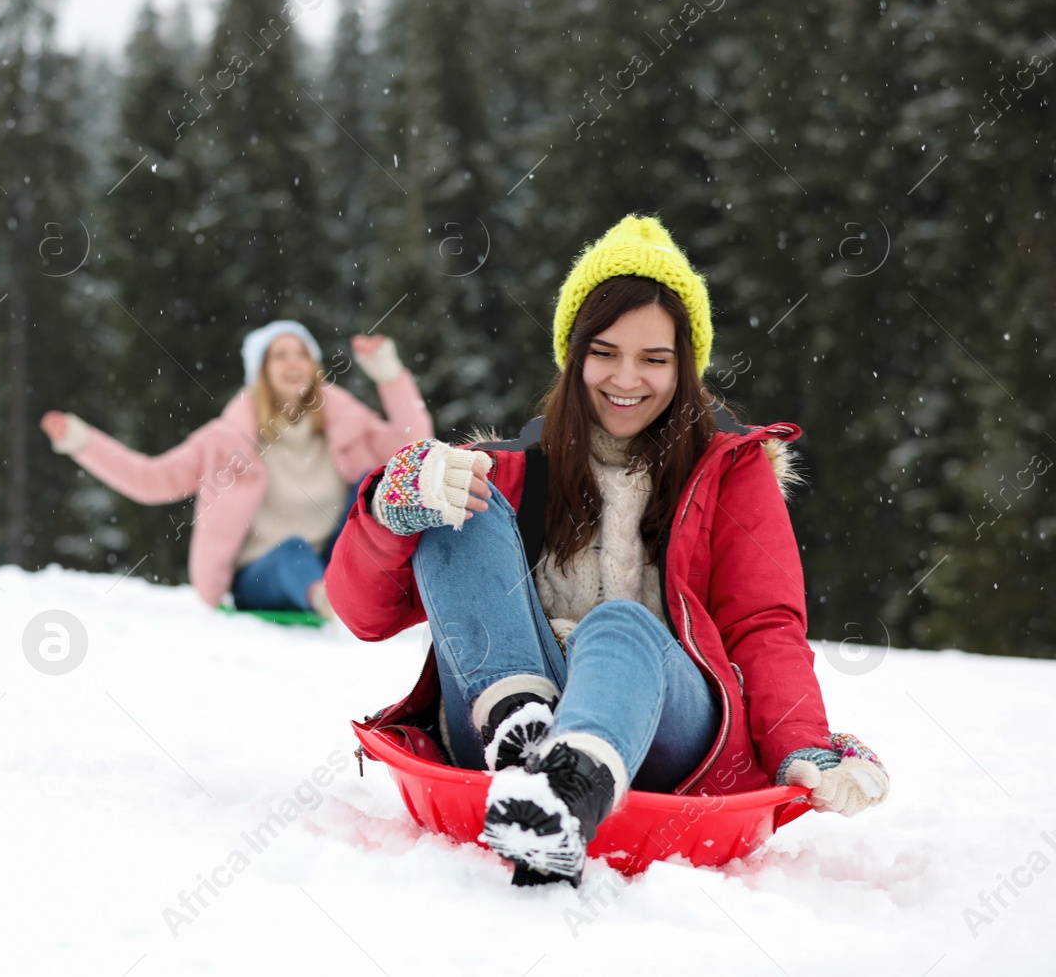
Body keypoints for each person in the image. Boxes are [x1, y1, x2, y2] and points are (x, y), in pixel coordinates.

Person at [326, 216, 889, 886]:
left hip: (665, 729)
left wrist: (802, 743)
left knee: (619, 625)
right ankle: (522, 734)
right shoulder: (513, 468)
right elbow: (364, 612)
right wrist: (392, 510)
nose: (628, 378)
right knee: (460, 501)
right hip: (493, 709)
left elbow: (764, 626)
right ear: (573, 352)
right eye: (606, 352)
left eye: (654, 358)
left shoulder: (729, 474)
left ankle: (569, 785)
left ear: (685, 365)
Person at [41, 322, 434, 617]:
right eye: (280, 355)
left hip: (333, 557)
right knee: (292, 551)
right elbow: (151, 480)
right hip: (260, 575)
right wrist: (83, 442)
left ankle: (371, 590)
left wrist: (390, 376)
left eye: (301, 354)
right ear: (260, 372)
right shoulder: (225, 439)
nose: (293, 363)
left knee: (375, 488)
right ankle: (330, 601)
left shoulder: (346, 424)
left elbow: (410, 448)